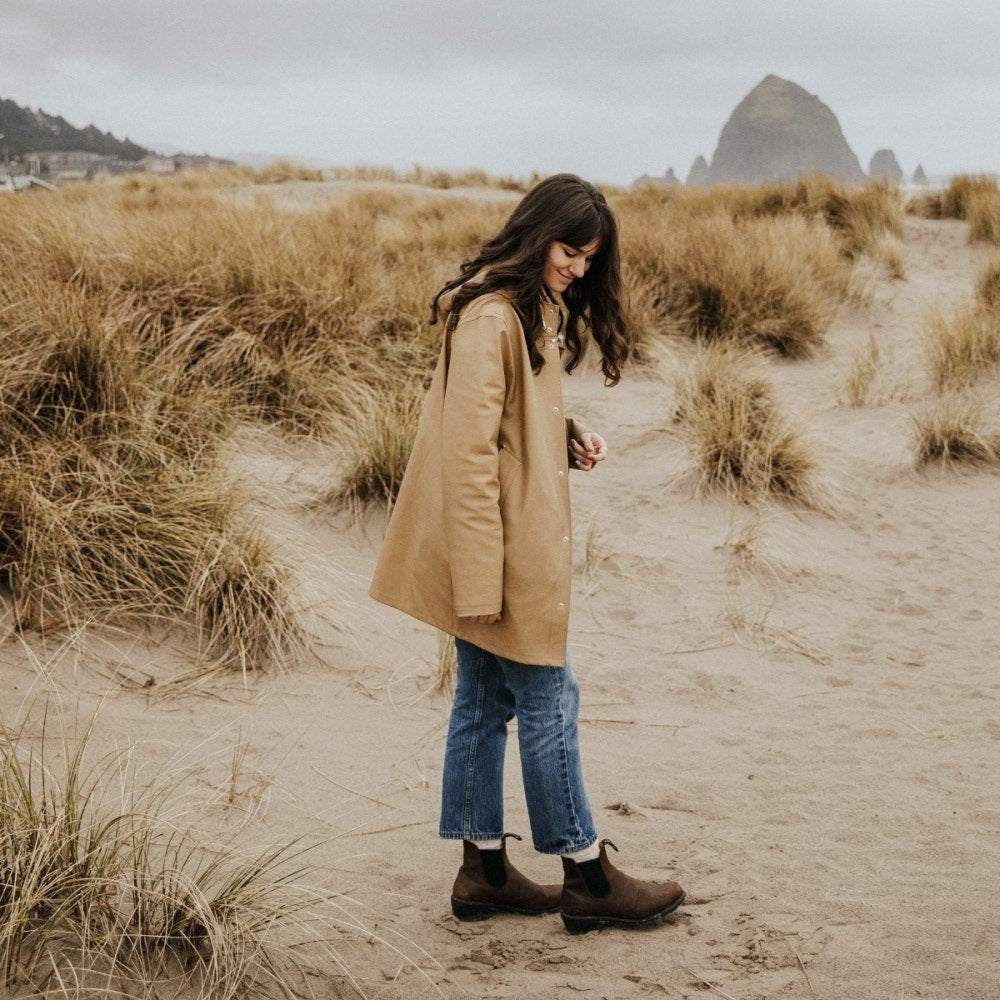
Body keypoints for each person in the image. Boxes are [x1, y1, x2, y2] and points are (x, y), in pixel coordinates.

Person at [369, 174, 685, 933]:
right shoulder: (491, 317)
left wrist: (563, 434)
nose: (577, 268)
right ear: (537, 231)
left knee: (481, 704)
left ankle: (482, 871)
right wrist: (480, 579)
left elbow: (510, 417)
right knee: (549, 702)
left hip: (504, 539)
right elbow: (468, 456)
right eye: (569, 250)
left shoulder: (523, 310)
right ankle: (586, 875)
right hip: (500, 551)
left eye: (588, 258)